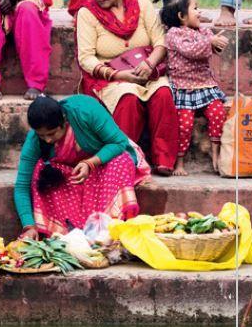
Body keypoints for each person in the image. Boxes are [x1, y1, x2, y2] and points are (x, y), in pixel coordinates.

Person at [74, 0, 180, 173]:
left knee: (162, 93)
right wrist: (120, 75)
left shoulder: (140, 1)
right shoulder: (87, 14)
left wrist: (150, 64)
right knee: (128, 97)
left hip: (147, 69)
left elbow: (160, 40)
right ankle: (125, 160)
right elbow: (85, 58)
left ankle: (164, 160)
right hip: (111, 77)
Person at [13, 95, 150, 239]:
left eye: (52, 134)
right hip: (71, 177)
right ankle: (65, 234)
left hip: (102, 165)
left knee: (120, 161)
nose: (47, 139)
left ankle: (106, 232)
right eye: (42, 136)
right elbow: (22, 185)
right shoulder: (34, 140)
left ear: (64, 122)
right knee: (40, 170)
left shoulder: (86, 110)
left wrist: (90, 163)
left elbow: (118, 143)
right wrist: (28, 226)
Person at [160, 0, 230, 174]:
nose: (199, 12)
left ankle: (216, 153)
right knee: (184, 124)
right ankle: (180, 162)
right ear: (181, 16)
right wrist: (210, 42)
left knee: (217, 113)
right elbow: (190, 49)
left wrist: (218, 43)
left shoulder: (203, 31)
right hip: (183, 90)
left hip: (205, 86)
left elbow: (212, 48)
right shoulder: (173, 35)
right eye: (195, 8)